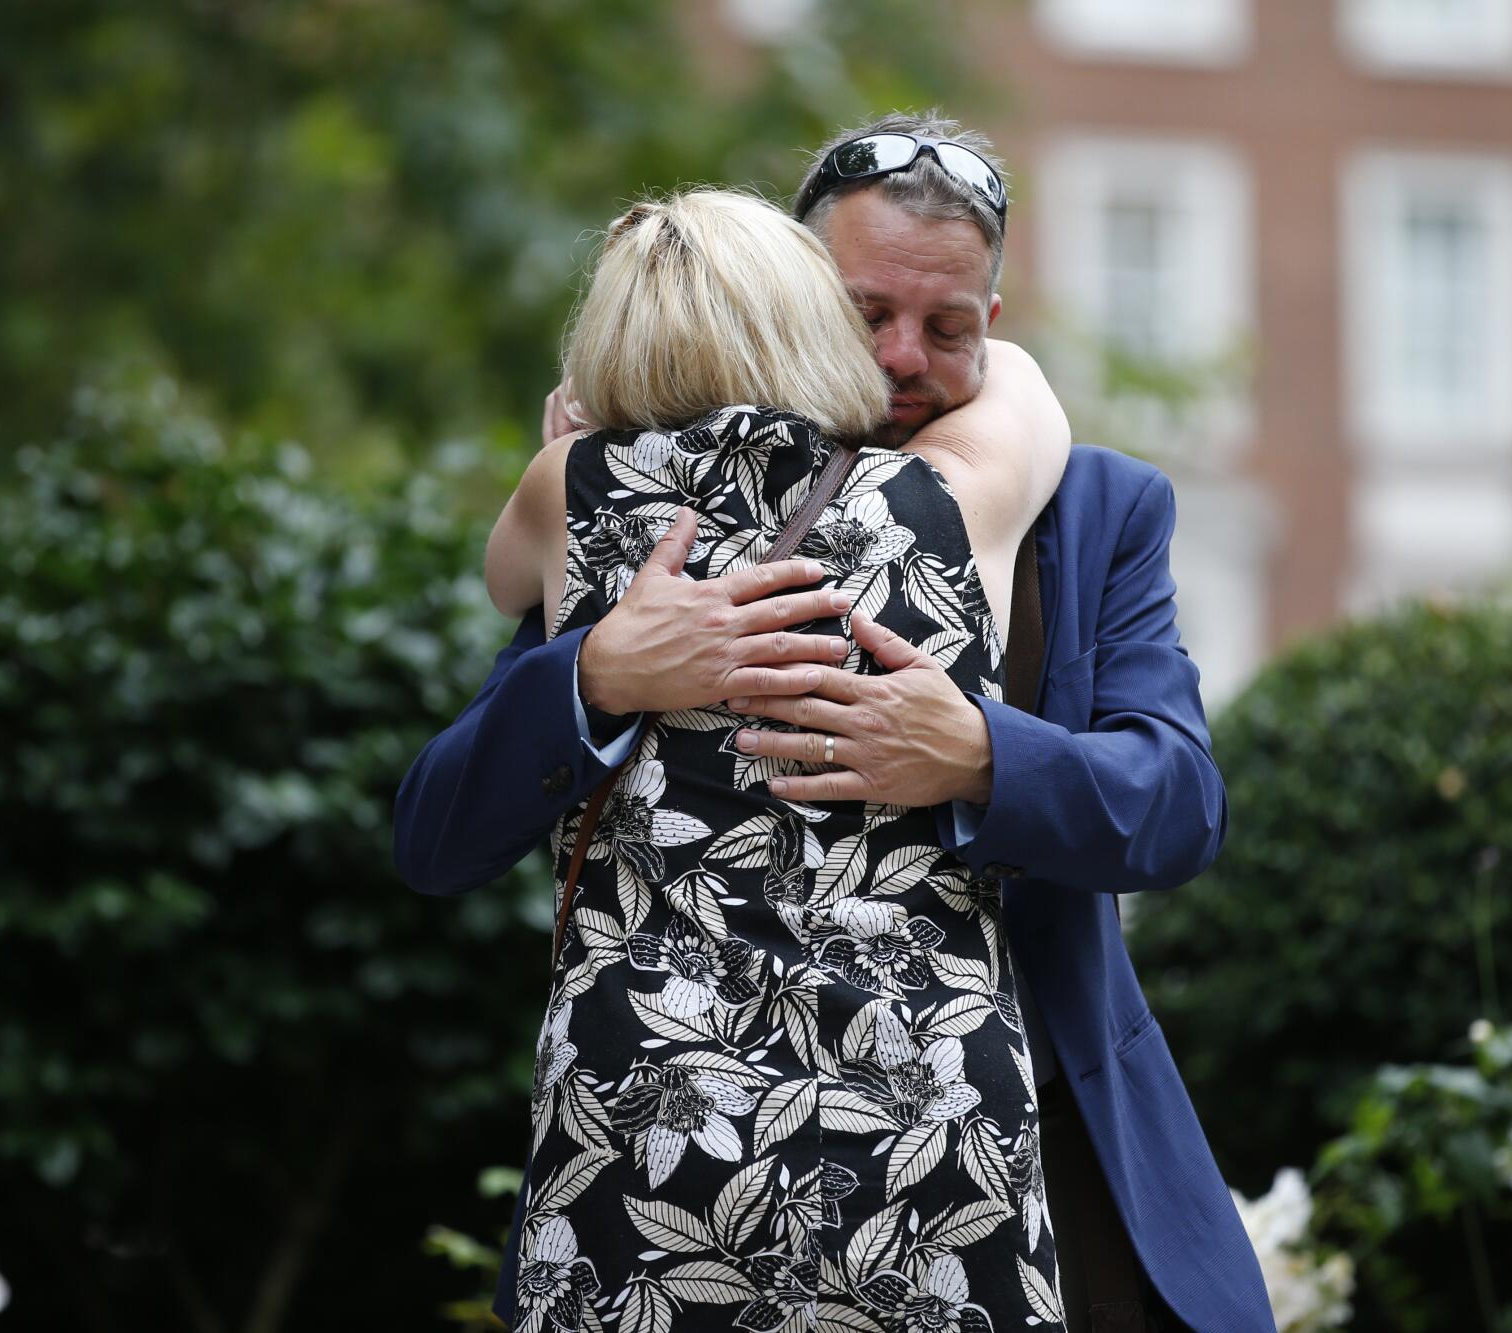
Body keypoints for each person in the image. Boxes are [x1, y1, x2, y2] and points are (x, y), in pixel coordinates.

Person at [395, 113, 1277, 1333]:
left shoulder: (1098, 506)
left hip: (1041, 1182)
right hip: (692, 1177)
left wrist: (976, 755)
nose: (905, 358)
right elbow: (437, 834)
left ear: (995, 325)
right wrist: (596, 671)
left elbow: (1178, 806)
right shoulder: (649, 514)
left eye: (949, 327)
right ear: (795, 301)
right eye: (867, 315)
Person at [480, 183, 1075, 1333]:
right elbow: (1030, 397)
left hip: (652, 1106)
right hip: (919, 1103)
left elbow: (503, 584)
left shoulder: (571, 491)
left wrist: (582, 451)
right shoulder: (943, 498)